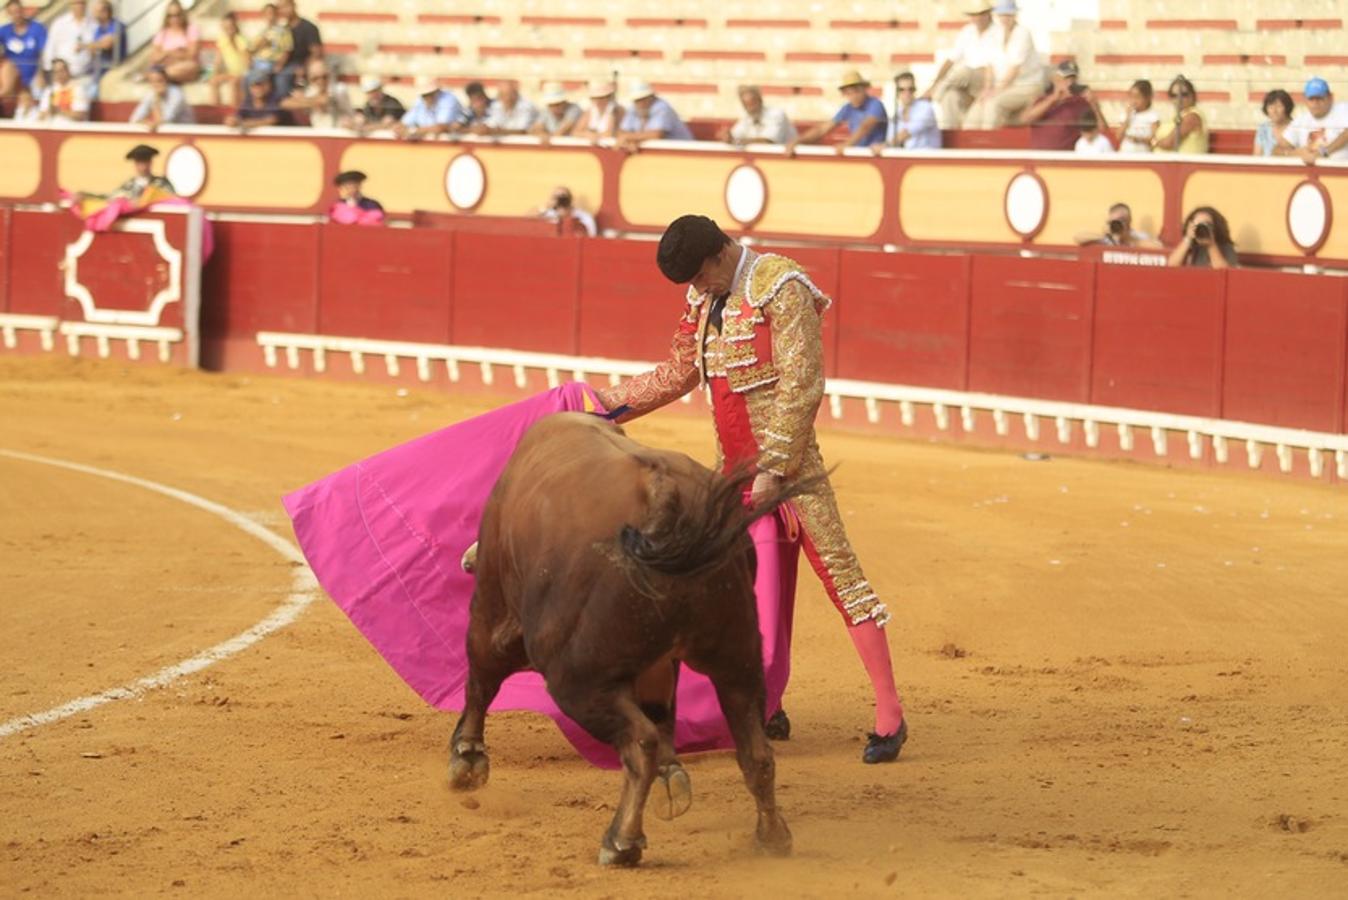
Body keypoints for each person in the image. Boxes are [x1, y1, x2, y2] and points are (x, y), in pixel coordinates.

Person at [592, 215, 909, 765]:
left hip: (792, 476)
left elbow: (802, 385)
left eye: (697, 277)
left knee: (841, 577)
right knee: (745, 593)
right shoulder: (705, 302)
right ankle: (766, 705)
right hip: (731, 478)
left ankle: (890, 715)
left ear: (718, 256)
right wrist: (603, 406)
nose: (694, 291)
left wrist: (775, 468)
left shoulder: (781, 288)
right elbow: (678, 373)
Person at [966, 0, 1046, 129]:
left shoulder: (1023, 33)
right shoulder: (995, 34)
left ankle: (989, 143)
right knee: (976, 111)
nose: (1005, 18)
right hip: (1003, 85)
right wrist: (987, 88)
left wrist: (996, 90)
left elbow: (1014, 69)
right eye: (1002, 15)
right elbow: (990, 66)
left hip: (1026, 86)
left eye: (1008, 15)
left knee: (992, 104)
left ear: (1015, 15)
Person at [925, 4, 998, 128]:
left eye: (981, 14)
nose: (978, 18)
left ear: (988, 14)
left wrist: (935, 86)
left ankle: (934, 93)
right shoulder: (967, 31)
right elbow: (951, 59)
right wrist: (935, 82)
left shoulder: (998, 32)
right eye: (974, 15)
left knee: (965, 72)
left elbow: (993, 66)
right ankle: (952, 134)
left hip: (989, 79)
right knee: (950, 96)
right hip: (966, 82)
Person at [786, 69, 887, 154]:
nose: (853, 96)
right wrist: (799, 141)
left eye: (856, 91)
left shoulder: (875, 104)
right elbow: (823, 129)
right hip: (860, 153)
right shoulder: (848, 108)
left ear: (864, 90)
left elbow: (866, 126)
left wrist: (847, 145)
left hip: (874, 154)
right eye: (849, 93)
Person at [80, 144, 176, 204]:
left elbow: (174, 202)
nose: (143, 166)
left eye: (145, 161)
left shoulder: (162, 184)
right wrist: (87, 196)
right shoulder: (128, 186)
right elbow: (109, 199)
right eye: (140, 162)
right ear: (135, 164)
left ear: (151, 162)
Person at [1287, 77, 1348, 163]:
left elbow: (1346, 135)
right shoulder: (1300, 119)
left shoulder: (1343, 109)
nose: (1315, 103)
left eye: (1319, 98)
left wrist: (1323, 152)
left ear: (1330, 98)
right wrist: (1295, 153)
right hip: (1310, 173)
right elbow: (1277, 149)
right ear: (1305, 100)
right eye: (1311, 99)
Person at [617, 81, 694, 149]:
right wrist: (632, 140)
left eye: (644, 98)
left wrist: (630, 138)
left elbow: (656, 135)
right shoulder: (634, 108)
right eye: (637, 100)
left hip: (680, 150)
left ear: (652, 97)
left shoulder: (662, 107)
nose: (641, 103)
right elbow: (622, 132)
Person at [281, 59, 353, 129]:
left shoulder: (339, 89)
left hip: (339, 134)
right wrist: (306, 101)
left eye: (324, 77)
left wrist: (302, 101)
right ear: (310, 79)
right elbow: (284, 104)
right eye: (315, 78)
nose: (321, 81)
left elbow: (323, 100)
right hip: (319, 134)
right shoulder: (311, 91)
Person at [878, 71, 939, 151]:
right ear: (897, 92)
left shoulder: (925, 107)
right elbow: (891, 137)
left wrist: (884, 146)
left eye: (911, 89)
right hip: (911, 158)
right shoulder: (898, 111)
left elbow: (906, 133)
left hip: (928, 160)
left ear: (915, 90)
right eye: (902, 90)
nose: (907, 93)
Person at [275, 0, 321, 98]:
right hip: (283, 65)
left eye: (285, 6)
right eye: (280, 8)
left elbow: (316, 53)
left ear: (293, 5)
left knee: (282, 78)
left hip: (300, 65)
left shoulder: (308, 27)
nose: (283, 10)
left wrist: (304, 67)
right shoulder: (282, 29)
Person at [0, 0, 47, 96]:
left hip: (34, 73)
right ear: (8, 14)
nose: (16, 15)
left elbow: (43, 53)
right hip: (14, 78)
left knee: (39, 94)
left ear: (23, 10)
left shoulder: (37, 28)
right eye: (12, 13)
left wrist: (40, 73)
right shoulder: (4, 31)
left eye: (18, 11)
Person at [147, 0, 200, 84]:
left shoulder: (190, 30)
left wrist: (168, 55)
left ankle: (162, 77)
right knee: (156, 70)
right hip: (166, 67)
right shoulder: (162, 33)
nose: (174, 19)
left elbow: (192, 55)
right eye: (170, 16)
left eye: (177, 15)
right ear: (166, 17)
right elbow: (154, 57)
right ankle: (163, 77)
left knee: (186, 67)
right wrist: (173, 52)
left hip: (184, 68)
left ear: (182, 14)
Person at [723, 84, 796, 145]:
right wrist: (729, 137)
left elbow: (768, 140)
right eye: (746, 105)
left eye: (752, 103)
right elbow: (736, 135)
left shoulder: (777, 114)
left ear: (760, 100)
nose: (750, 109)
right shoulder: (746, 117)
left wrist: (740, 141)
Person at [1152, 75, 1208, 154]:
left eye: (1184, 94)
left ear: (1193, 95)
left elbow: (1169, 143)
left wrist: (1153, 142)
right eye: (1174, 95)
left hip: (1186, 163)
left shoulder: (1192, 116)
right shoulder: (1178, 115)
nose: (1179, 99)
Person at [1168, 207, 1237, 269]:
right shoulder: (1189, 246)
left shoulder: (1225, 247)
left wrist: (1211, 245)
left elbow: (1223, 272)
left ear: (1216, 227)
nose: (1202, 228)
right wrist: (1187, 239)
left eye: (1207, 224)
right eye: (1198, 225)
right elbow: (1172, 266)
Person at [42, 0, 95, 80]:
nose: (79, 6)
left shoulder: (93, 24)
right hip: (62, 77)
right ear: (70, 5)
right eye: (76, 3)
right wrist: (49, 71)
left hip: (86, 76)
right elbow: (50, 49)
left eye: (81, 3)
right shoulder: (60, 23)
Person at [396, 76, 463, 140]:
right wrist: (402, 129)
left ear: (436, 91)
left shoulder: (448, 99)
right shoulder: (420, 100)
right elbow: (404, 122)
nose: (426, 97)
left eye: (429, 94)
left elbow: (442, 127)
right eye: (424, 95)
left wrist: (414, 131)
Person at [225, 70, 292, 130]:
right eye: (254, 85)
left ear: (269, 85)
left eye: (262, 84)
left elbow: (271, 120)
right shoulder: (248, 101)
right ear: (249, 88)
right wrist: (233, 120)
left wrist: (243, 123)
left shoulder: (276, 99)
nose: (258, 88)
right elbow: (237, 116)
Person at [86, 0, 126, 99]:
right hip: (98, 68)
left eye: (97, 11)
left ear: (106, 12)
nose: (94, 14)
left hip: (113, 66)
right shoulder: (98, 29)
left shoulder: (117, 25)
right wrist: (94, 45)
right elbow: (92, 50)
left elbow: (107, 44)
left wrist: (88, 46)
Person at [1074, 203, 1160, 247]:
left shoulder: (1138, 236)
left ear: (1129, 221)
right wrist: (1104, 235)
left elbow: (1158, 248)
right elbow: (1077, 237)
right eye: (1114, 221)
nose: (1117, 224)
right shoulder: (1108, 238)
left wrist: (1128, 238)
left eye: (1122, 220)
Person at [209, 11, 249, 107]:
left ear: (235, 26)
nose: (228, 29)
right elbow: (218, 60)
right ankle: (216, 108)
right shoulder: (222, 40)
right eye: (226, 27)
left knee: (234, 83)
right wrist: (214, 74)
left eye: (230, 26)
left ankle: (233, 110)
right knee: (213, 81)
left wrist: (243, 74)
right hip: (229, 73)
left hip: (240, 73)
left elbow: (247, 60)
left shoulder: (240, 39)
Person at [246, 3, 291, 83]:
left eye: (272, 13)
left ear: (277, 15)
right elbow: (249, 50)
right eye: (267, 14)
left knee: (258, 78)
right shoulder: (260, 32)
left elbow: (287, 50)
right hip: (258, 62)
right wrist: (249, 62)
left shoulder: (283, 31)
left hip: (272, 63)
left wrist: (279, 65)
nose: (270, 16)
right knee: (245, 79)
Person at [37, 58, 89, 122]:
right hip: (51, 127)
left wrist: (59, 111)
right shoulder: (49, 90)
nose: (59, 74)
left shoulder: (78, 89)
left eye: (61, 71)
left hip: (71, 128)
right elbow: (41, 114)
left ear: (68, 71)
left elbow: (81, 115)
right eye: (55, 72)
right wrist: (48, 112)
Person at [1116, 79, 1159, 154]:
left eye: (1137, 97)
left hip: (1143, 153)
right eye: (1131, 97)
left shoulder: (1152, 116)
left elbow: (1154, 139)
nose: (1134, 101)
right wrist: (1127, 118)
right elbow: (1118, 136)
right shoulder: (1126, 114)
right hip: (1126, 152)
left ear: (1147, 98)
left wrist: (1139, 139)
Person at [1254, 89, 1296, 157]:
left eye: (1279, 106)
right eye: (1270, 107)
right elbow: (1257, 156)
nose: (1274, 111)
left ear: (1287, 107)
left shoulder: (1296, 126)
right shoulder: (1263, 128)